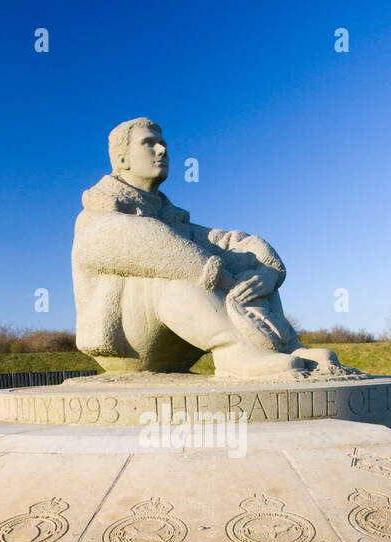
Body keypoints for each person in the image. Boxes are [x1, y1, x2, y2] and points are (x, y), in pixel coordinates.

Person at [72, 117, 345, 378]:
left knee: (246, 264)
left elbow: (224, 240)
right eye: (149, 143)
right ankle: (235, 353)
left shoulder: (170, 217)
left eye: (163, 143)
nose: (162, 149)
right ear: (122, 158)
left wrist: (267, 272)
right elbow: (150, 240)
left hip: (177, 344)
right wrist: (219, 275)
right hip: (129, 347)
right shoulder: (97, 214)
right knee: (174, 270)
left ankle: (284, 346)